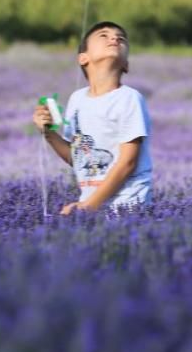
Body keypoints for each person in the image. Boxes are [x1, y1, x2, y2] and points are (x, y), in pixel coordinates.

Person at [32, 21, 153, 214]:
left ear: (126, 65)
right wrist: (48, 133)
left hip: (128, 206)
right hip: (92, 207)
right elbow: (78, 157)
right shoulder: (77, 99)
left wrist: (88, 206)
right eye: (104, 36)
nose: (114, 38)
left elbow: (128, 162)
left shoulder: (128, 98)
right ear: (83, 58)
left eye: (121, 38)